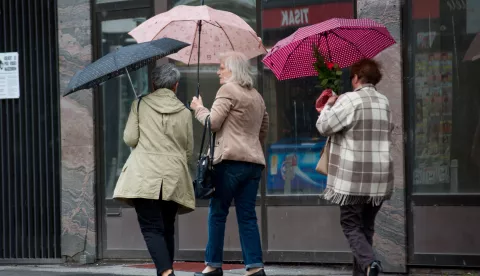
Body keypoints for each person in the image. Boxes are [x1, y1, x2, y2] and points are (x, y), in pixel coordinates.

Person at [190, 51, 269, 276]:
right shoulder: (257, 96)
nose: (218, 71)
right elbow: (263, 129)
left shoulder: (227, 90)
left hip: (229, 162)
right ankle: (255, 267)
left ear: (233, 69)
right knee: (247, 216)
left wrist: (198, 108)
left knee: (217, 213)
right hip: (253, 163)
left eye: (221, 67)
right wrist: (250, 146)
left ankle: (213, 265)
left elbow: (213, 122)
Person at [113, 63, 195, 276]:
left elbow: (130, 138)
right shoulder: (185, 112)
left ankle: (166, 272)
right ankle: (166, 270)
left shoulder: (139, 104)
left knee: (151, 228)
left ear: (153, 83)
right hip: (173, 176)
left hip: (144, 175)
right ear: (176, 86)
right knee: (167, 227)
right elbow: (188, 150)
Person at [316, 59, 394, 276]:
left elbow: (323, 126)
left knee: (350, 224)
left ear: (357, 77)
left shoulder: (350, 100)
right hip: (379, 178)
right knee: (365, 228)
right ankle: (365, 271)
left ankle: (370, 264)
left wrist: (329, 105)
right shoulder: (384, 101)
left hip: (354, 178)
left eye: (351, 77)